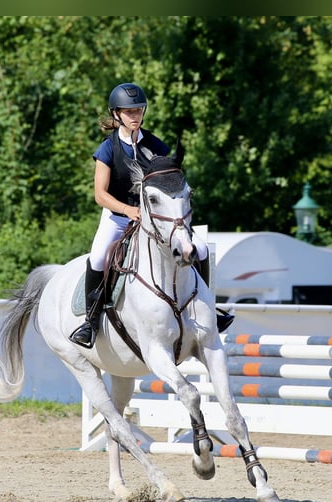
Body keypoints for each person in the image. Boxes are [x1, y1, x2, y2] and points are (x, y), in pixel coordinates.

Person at [69, 82, 234, 349]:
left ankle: (208, 311)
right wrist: (128, 210)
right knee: (99, 256)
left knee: (200, 249)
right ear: (116, 115)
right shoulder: (108, 149)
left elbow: (169, 183)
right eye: (129, 112)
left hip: (156, 219)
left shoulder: (155, 145)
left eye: (139, 110)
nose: (135, 116)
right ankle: (91, 321)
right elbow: (100, 194)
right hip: (118, 216)